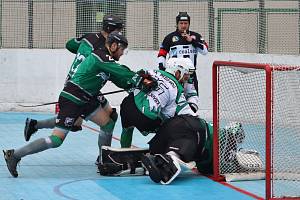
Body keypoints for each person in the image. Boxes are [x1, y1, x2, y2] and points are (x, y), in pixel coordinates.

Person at [2, 31, 138, 178]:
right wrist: (139, 79)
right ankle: (14, 155)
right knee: (56, 140)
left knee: (108, 124)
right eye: (122, 49)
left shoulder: (108, 61)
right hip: (73, 99)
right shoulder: (100, 56)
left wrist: (135, 85)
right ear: (113, 45)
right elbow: (122, 72)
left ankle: (103, 160)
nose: (123, 53)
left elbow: (120, 77)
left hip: (86, 99)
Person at [23, 14, 124, 164]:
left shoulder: (89, 37)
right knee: (78, 122)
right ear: (111, 30)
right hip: (82, 88)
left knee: (109, 115)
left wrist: (81, 52)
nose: (121, 34)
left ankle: (34, 124)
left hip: (82, 84)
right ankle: (104, 159)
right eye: (119, 31)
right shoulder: (104, 48)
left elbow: (70, 44)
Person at [98, 117, 260, 185]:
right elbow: (214, 169)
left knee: (156, 154)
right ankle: (171, 158)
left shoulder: (216, 129)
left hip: (173, 125)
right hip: (193, 132)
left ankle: (113, 159)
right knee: (179, 156)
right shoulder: (228, 139)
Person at [119, 57, 198, 148]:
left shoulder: (151, 71)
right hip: (145, 119)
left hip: (126, 105)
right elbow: (172, 115)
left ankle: (123, 150)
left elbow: (131, 81)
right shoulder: (176, 89)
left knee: (127, 128)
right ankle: (157, 152)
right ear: (177, 72)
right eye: (186, 75)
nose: (186, 79)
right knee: (171, 127)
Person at [157, 11, 208, 94]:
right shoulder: (170, 37)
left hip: (190, 74)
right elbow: (162, 54)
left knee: (193, 99)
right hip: (175, 74)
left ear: (189, 24)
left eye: (186, 23)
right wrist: (162, 69)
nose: (183, 26)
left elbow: (205, 51)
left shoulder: (196, 36)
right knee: (174, 100)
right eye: (181, 23)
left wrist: (192, 41)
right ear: (177, 24)